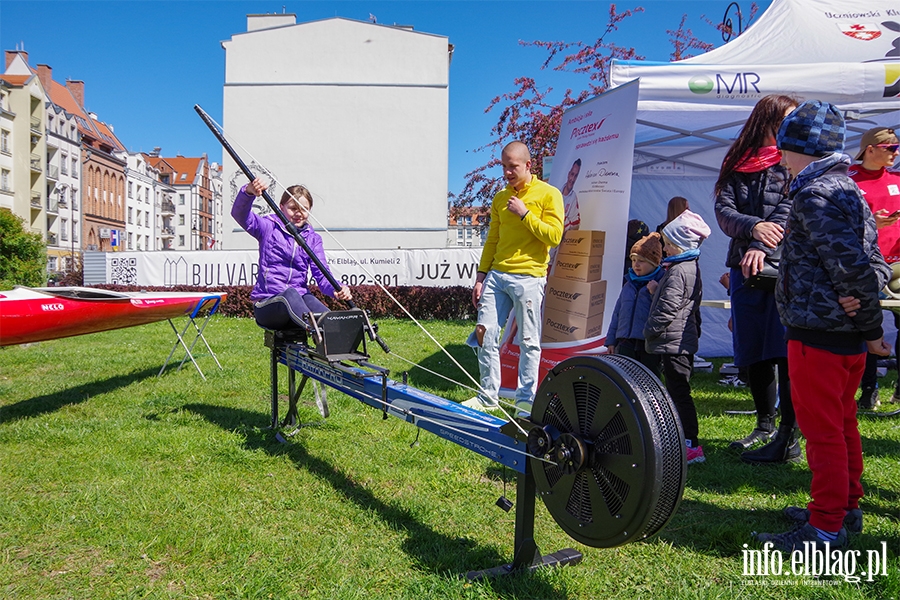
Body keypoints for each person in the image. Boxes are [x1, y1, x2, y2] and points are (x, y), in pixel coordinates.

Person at [754, 100, 891, 553]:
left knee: (823, 432)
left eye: (785, 149)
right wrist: (864, 305)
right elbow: (872, 265)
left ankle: (825, 529)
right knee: (843, 423)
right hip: (840, 333)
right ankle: (845, 507)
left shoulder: (816, 194)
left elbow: (852, 267)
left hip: (821, 335)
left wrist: (869, 322)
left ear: (799, 149)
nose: (781, 158)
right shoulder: (847, 188)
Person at [714, 94, 799, 463]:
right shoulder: (736, 162)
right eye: (784, 120)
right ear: (765, 120)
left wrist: (762, 245)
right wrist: (753, 229)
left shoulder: (793, 160)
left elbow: (790, 209)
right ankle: (765, 426)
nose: (789, 128)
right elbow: (723, 212)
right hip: (743, 269)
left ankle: (788, 435)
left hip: (784, 267)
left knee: (785, 351)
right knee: (755, 351)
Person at [465, 141, 564, 414]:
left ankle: (525, 401)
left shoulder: (549, 194)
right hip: (497, 276)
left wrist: (525, 214)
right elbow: (492, 240)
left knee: (529, 341)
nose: (507, 172)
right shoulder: (499, 198)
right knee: (485, 333)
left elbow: (554, 236)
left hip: (529, 278)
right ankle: (488, 396)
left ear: (528, 165)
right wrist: (481, 277)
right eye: (504, 167)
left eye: (513, 167)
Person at [232, 178, 352, 330]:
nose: (299, 213)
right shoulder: (268, 227)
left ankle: (335, 339)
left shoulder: (313, 239)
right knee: (290, 294)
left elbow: (322, 275)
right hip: (268, 304)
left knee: (326, 318)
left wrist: (338, 287)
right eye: (293, 208)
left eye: (304, 209)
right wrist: (248, 192)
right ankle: (315, 331)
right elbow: (240, 215)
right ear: (281, 207)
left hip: (298, 302)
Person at [644, 209, 711, 465]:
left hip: (675, 343)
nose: (666, 249)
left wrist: (650, 329)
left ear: (680, 245)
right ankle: (681, 440)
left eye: (669, 244)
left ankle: (690, 444)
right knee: (675, 390)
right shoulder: (684, 268)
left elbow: (669, 307)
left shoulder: (679, 270)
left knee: (679, 392)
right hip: (678, 341)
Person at [849, 127, 900, 409]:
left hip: (898, 263)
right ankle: (869, 389)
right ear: (871, 149)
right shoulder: (850, 181)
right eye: (891, 148)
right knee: (869, 325)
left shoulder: (897, 179)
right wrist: (870, 224)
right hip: (867, 262)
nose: (896, 153)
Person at [606, 232, 664, 377]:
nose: (636, 265)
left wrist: (654, 294)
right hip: (625, 341)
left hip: (647, 343)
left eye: (641, 261)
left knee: (649, 377)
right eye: (633, 260)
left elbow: (664, 312)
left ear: (654, 262)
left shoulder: (661, 283)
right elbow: (617, 313)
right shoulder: (628, 284)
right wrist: (611, 340)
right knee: (626, 377)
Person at [560, 158, 582, 232]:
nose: (572, 179)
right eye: (572, 174)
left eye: (575, 176)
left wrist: (563, 220)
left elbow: (576, 224)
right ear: (568, 174)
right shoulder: (556, 192)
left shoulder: (573, 198)